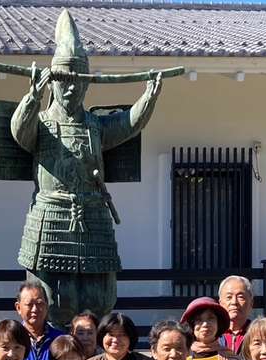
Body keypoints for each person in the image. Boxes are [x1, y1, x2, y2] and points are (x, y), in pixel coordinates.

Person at [9, 9, 163, 327]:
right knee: (50, 300)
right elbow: (20, 131)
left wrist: (149, 97)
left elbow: (128, 124)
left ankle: (91, 358)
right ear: (53, 83)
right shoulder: (43, 124)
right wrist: (32, 97)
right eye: (64, 83)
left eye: (77, 84)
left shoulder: (95, 126)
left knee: (97, 298)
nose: (70, 90)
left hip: (93, 217)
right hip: (50, 219)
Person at [15, 281, 64, 360]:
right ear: (18, 307)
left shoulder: (61, 340)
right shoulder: (12, 341)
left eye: (40, 303)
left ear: (47, 305)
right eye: (29, 304)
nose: (35, 309)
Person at [84, 312, 151, 360]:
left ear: (130, 338)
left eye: (121, 335)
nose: (115, 340)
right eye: (111, 334)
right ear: (102, 336)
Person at [218, 275, 254, 356]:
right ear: (220, 304)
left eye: (240, 297)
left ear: (251, 304)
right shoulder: (212, 335)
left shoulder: (259, 333)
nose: (234, 302)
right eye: (229, 297)